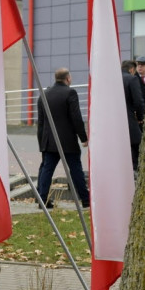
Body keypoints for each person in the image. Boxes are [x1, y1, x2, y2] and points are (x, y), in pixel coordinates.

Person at [35, 68, 90, 209]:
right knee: (76, 169)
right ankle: (85, 199)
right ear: (68, 78)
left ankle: (43, 200)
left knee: (47, 170)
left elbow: (40, 122)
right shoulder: (70, 93)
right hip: (68, 141)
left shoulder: (44, 94)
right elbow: (76, 118)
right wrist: (83, 137)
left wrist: (41, 142)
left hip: (49, 141)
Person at [123, 60, 145, 173]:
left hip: (115, 122)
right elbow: (138, 101)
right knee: (135, 145)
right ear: (132, 69)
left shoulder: (112, 79)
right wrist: (141, 117)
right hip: (129, 119)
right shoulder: (132, 79)